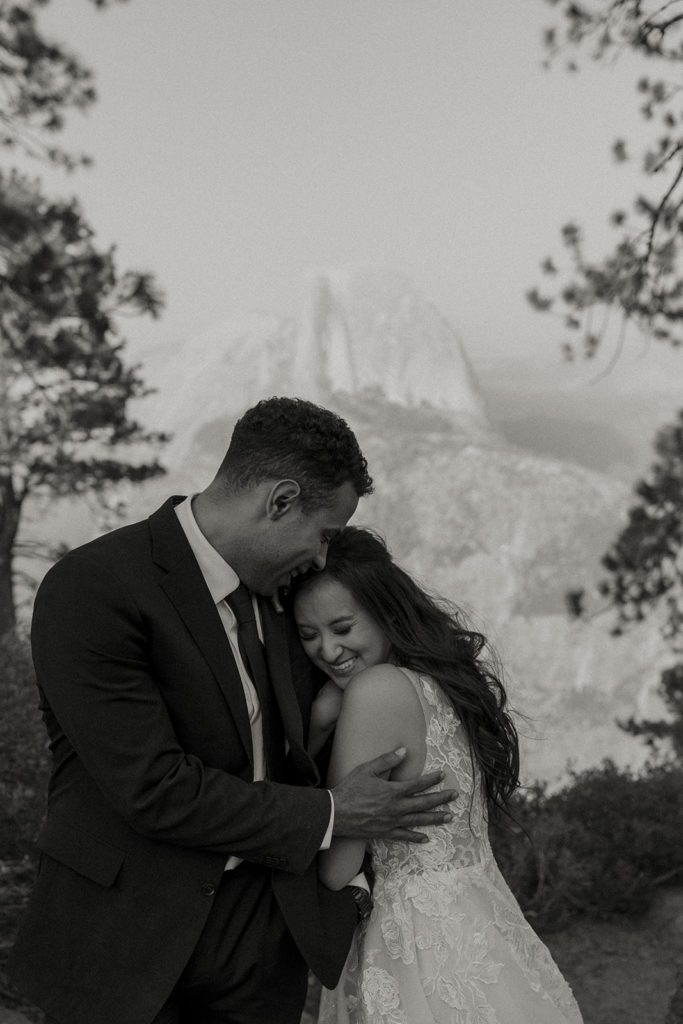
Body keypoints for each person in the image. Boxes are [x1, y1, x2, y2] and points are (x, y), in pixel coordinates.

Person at [8, 397, 457, 1024]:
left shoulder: (283, 600)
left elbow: (296, 747)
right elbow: (152, 788)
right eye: (323, 533)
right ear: (279, 501)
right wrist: (333, 812)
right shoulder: (93, 588)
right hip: (124, 941)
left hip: (258, 945)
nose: (324, 559)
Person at [292, 526, 585, 1024]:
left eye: (343, 627)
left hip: (416, 944)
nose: (327, 649)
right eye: (308, 635)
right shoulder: (442, 685)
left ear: (385, 613)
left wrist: (317, 727)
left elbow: (336, 869)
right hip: (483, 922)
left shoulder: (376, 691)